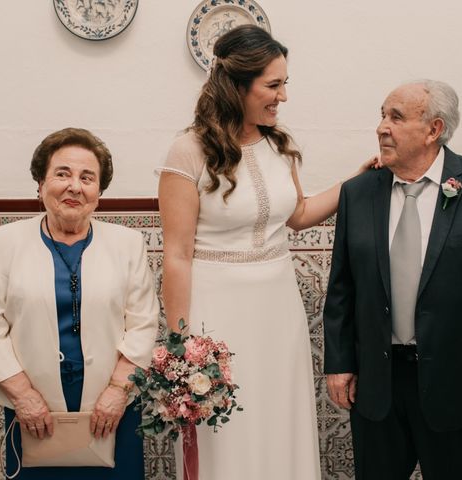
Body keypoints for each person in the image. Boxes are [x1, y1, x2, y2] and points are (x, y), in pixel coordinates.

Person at [157, 25, 375, 480]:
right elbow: (176, 254)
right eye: (273, 86)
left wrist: (356, 184)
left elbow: (296, 214)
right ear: (237, 86)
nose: (283, 97)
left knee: (279, 416)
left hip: (278, 305)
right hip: (216, 312)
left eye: (285, 84)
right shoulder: (189, 150)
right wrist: (181, 347)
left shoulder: (280, 145)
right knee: (226, 431)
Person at [323, 79, 462, 479]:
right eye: (382, 116)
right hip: (377, 384)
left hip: (459, 384)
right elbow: (342, 287)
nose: (382, 126)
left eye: (396, 117)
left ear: (434, 129)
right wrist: (340, 364)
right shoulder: (358, 192)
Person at [0, 127, 159, 479]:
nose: (75, 186)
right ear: (40, 185)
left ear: (98, 193)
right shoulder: (0, 244)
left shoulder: (128, 244)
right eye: (62, 174)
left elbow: (143, 323)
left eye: (87, 178)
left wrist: (119, 391)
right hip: (33, 410)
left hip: (113, 405)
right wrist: (23, 395)